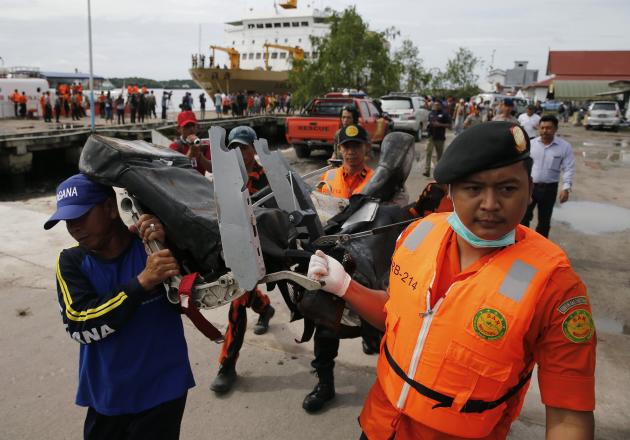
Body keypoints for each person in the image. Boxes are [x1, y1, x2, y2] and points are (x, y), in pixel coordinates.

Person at [308, 121, 596, 439]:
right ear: (451, 192)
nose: (490, 204)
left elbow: (569, 416)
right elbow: (395, 313)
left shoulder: (555, 287)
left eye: (507, 188)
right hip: (379, 425)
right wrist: (345, 286)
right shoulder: (418, 234)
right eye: (473, 188)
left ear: (530, 191)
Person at [45, 174, 195, 440]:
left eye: (81, 216)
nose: (74, 227)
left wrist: (170, 240)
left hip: (164, 390)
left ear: (111, 209)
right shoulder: (71, 262)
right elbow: (80, 324)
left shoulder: (153, 249)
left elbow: (191, 298)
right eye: (68, 220)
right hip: (108, 396)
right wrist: (141, 283)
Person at [302, 124, 376, 413]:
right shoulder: (328, 177)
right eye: (346, 146)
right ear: (339, 149)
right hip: (333, 262)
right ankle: (325, 384)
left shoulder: (377, 180)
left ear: (366, 149)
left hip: (367, 265)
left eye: (356, 146)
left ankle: (374, 345)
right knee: (325, 324)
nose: (351, 152)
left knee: (378, 322)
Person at [209, 126, 277, 395]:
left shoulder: (265, 178)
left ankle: (227, 366)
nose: (239, 153)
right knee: (241, 292)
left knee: (236, 305)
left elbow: (271, 214)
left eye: (244, 148)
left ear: (253, 150)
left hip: (257, 247)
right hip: (230, 244)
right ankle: (264, 307)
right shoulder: (225, 175)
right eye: (234, 148)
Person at [521, 115, 575, 238]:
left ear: (556, 129)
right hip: (530, 187)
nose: (545, 131)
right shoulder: (531, 144)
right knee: (523, 218)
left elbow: (568, 168)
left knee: (544, 221)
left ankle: (541, 249)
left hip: (549, 189)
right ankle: (521, 245)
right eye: (542, 128)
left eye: (549, 128)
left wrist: (566, 188)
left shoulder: (564, 147)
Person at [169, 110, 212, 175]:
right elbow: (175, 170)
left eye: (193, 125)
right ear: (178, 129)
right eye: (187, 126)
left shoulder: (204, 145)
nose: (191, 129)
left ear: (197, 127)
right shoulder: (174, 146)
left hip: (201, 183)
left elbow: (212, 169)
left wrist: (199, 155)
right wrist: (191, 152)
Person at [424, 100, 451, 178]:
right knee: (428, 153)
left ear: (441, 105)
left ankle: (438, 172)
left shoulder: (444, 114)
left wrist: (440, 125)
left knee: (439, 155)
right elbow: (429, 122)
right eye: (435, 105)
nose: (436, 106)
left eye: (437, 105)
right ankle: (427, 171)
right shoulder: (431, 113)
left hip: (439, 137)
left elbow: (449, 126)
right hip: (431, 136)